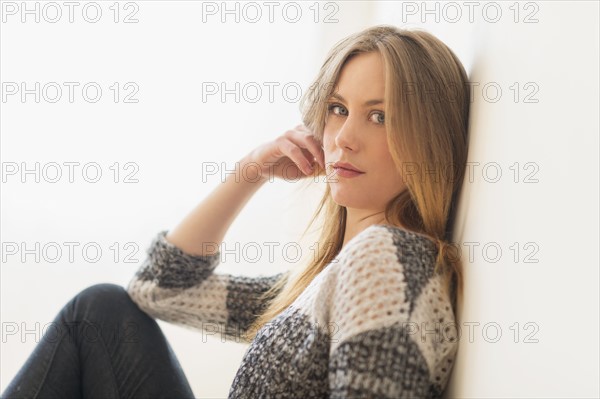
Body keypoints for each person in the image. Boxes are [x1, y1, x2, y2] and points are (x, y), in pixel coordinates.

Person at [2, 24, 470, 398]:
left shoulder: (386, 258)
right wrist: (252, 169)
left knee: (93, 313)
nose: (344, 137)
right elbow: (157, 290)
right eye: (337, 108)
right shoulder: (319, 283)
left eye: (379, 116)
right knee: (100, 311)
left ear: (426, 140)